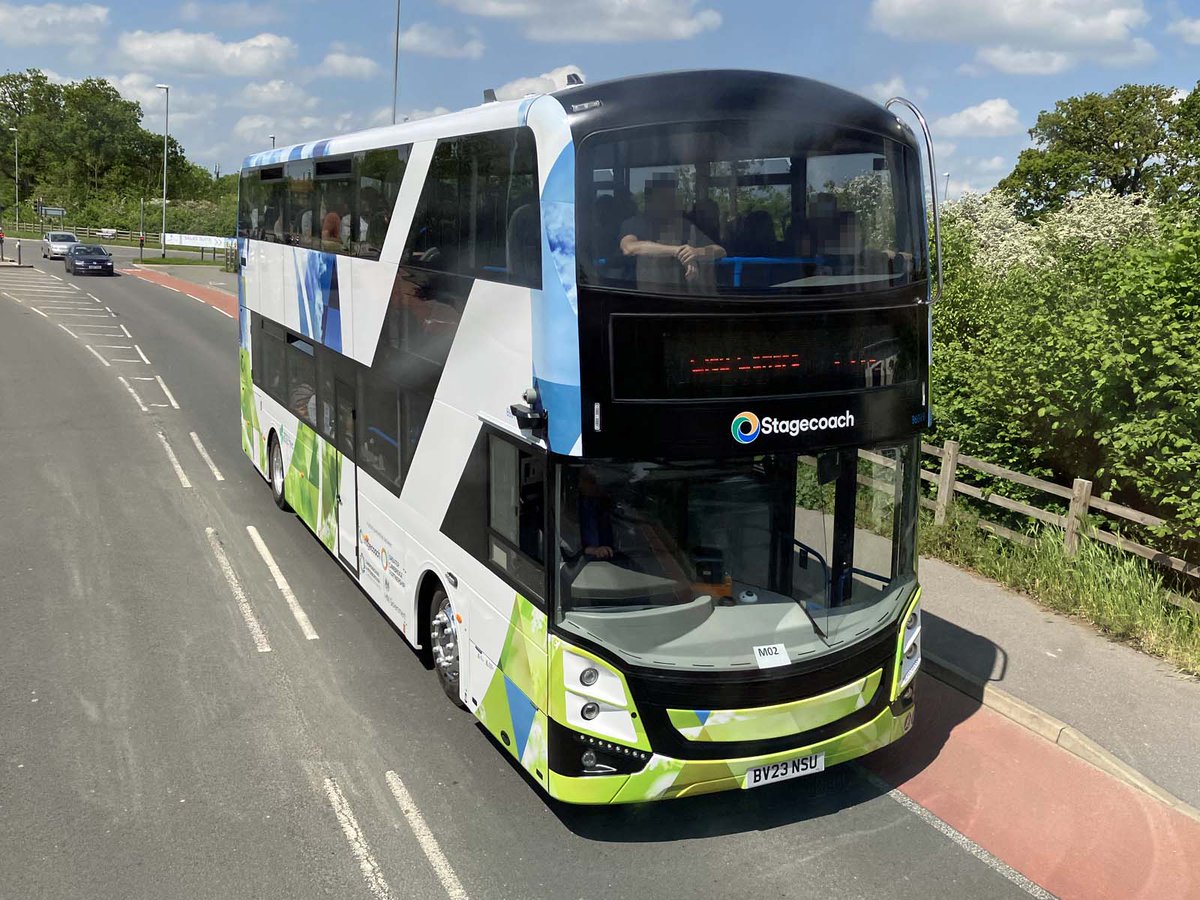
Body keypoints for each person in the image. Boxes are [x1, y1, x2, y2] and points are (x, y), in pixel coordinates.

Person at [619, 174, 725, 287]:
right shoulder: (634, 223)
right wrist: (677, 251)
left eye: (672, 197)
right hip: (646, 296)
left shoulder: (685, 226)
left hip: (679, 296)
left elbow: (720, 251)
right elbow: (629, 247)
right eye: (664, 198)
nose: (670, 202)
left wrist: (696, 253)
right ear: (649, 201)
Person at [578, 469, 615, 559]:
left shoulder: (606, 505)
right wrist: (594, 550)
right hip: (579, 563)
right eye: (591, 482)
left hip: (612, 559)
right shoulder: (571, 506)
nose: (597, 486)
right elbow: (567, 544)